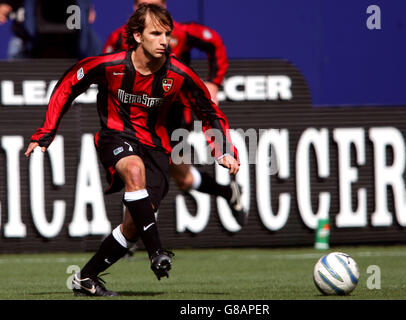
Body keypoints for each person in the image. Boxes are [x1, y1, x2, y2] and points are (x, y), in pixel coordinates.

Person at [25, 3, 240, 296]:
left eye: (167, 33)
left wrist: (223, 150)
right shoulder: (109, 65)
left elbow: (209, 109)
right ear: (137, 36)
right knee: (134, 171)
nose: (165, 40)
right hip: (115, 137)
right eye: (156, 33)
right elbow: (67, 86)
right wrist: (46, 131)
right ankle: (157, 253)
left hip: (158, 151)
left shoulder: (178, 73)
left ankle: (85, 278)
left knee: (134, 225)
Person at [103, 0, 247, 228]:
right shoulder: (119, 37)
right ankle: (226, 192)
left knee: (167, 175)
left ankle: (132, 237)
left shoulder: (181, 33)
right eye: (142, 3)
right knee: (164, 174)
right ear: (134, 8)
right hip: (132, 114)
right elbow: (106, 69)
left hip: (170, 117)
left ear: (164, 6)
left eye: (154, 3)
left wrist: (214, 82)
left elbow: (214, 43)